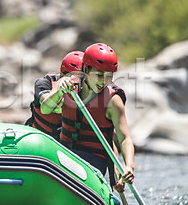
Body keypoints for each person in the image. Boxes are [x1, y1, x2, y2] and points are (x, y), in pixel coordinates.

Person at [41, 43, 135, 191]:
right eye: (98, 75)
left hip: (93, 161)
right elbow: (45, 109)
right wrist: (59, 91)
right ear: (85, 70)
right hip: (63, 152)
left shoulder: (113, 101)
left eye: (108, 76)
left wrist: (129, 166)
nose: (103, 81)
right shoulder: (68, 86)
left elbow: (125, 138)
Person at [26, 51, 84, 139]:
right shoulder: (44, 83)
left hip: (66, 143)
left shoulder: (88, 90)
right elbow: (45, 107)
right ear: (62, 74)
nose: (76, 81)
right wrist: (59, 91)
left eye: (80, 77)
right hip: (39, 138)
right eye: (72, 76)